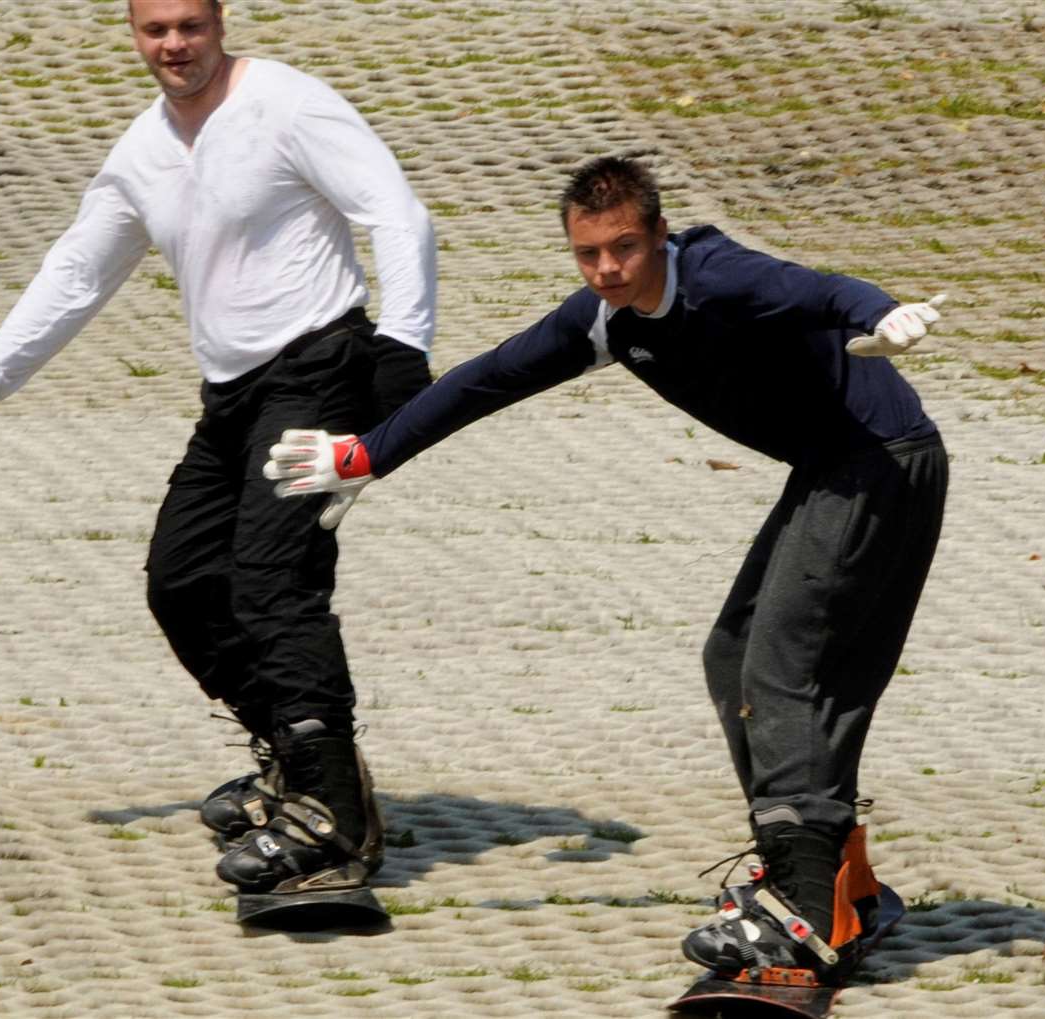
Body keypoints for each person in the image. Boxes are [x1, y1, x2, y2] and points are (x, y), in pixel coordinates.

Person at [264, 156, 946, 973]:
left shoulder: (718, 277)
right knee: (732, 657)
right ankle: (831, 877)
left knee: (780, 668)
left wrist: (886, 313)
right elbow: (490, 378)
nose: (609, 269)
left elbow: (825, 289)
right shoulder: (605, 319)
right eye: (589, 254)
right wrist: (371, 452)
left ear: (659, 233)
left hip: (881, 459)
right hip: (834, 470)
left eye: (624, 247)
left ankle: (803, 903)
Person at [0, 0, 435, 899]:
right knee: (184, 579)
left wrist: (404, 348)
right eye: (155, 30)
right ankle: (301, 756)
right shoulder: (144, 150)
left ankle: (332, 821)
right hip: (234, 394)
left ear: (219, 23)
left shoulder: (287, 103)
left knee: (276, 580)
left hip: (320, 368)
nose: (174, 46)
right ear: (133, 33)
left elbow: (397, 214)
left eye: (190, 27)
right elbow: (80, 268)